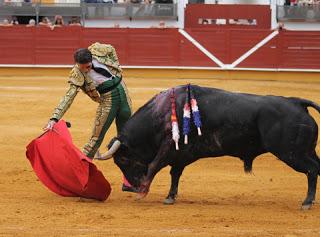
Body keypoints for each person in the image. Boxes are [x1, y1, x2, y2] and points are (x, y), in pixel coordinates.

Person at [44, 42, 136, 192]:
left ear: (92, 58)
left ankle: (129, 181)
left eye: (88, 66)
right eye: (83, 67)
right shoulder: (77, 73)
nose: (87, 69)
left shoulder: (98, 50)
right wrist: (54, 117)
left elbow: (112, 49)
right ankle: (78, 179)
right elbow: (69, 96)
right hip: (108, 100)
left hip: (123, 93)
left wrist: (116, 65)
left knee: (127, 139)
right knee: (95, 140)